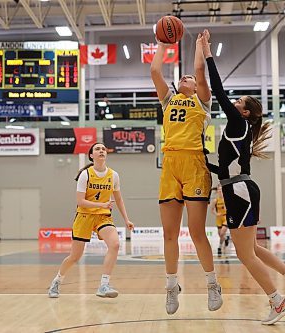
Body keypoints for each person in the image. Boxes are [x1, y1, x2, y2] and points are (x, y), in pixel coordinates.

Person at [201, 29, 285, 325]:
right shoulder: (240, 130)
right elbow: (226, 169)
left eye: (239, 101)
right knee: (253, 249)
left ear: (246, 112)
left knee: (245, 255)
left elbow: (219, 92)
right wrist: (204, 161)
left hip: (239, 192)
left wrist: (207, 53)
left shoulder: (237, 123)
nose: (234, 103)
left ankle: (277, 301)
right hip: (240, 188)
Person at [151, 33, 223, 315]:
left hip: (194, 165)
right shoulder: (168, 100)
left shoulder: (203, 102)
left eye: (188, 79)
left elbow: (201, 73)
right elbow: (155, 70)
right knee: (169, 233)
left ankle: (212, 283)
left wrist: (198, 47)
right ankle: (171, 287)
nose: (185, 79)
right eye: (181, 78)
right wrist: (162, 44)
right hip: (170, 163)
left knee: (196, 232)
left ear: (195, 87)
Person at [48, 142, 134, 298]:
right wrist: (101, 204)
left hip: (103, 216)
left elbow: (119, 199)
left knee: (115, 244)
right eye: (97, 149)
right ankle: (57, 281)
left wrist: (127, 219)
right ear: (91, 155)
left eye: (103, 149)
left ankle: (104, 285)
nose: (101, 151)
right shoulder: (85, 174)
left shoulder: (113, 175)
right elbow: (80, 201)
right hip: (84, 216)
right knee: (75, 256)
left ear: (106, 154)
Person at [210, 186, 229, 255]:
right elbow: (212, 210)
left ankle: (219, 247)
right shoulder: (215, 200)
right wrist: (216, 214)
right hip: (219, 218)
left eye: (221, 190)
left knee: (222, 233)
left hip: (225, 217)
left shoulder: (226, 199)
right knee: (220, 235)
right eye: (219, 190)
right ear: (217, 191)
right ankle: (226, 238)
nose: (220, 191)